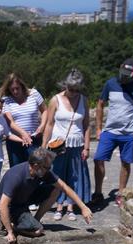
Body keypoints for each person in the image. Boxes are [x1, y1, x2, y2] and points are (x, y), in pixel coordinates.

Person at [92, 58, 133, 207]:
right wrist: (98, 128)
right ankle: (98, 192)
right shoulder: (111, 83)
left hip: (129, 133)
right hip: (110, 131)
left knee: (125, 162)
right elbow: (100, 104)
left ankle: (121, 193)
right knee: (98, 159)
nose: (123, 77)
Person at [0, 148, 93, 244]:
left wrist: (83, 207)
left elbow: (64, 187)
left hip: (25, 198)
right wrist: (10, 232)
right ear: (35, 165)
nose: (49, 169)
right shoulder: (16, 175)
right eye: (47, 167)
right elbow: (3, 205)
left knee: (55, 189)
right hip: (12, 206)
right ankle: (7, 223)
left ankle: (36, 220)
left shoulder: (42, 171)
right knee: (38, 230)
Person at [42, 68, 91, 221]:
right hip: (58, 145)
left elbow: (86, 125)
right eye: (71, 89)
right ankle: (59, 204)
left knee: (74, 175)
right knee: (58, 175)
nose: (73, 92)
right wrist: (44, 146)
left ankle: (70, 205)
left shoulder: (83, 100)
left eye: (76, 89)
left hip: (77, 144)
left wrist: (87, 147)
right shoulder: (55, 100)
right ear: (65, 86)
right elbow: (49, 124)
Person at [0, 73, 48, 168]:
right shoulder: (6, 100)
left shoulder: (34, 94)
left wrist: (42, 126)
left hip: (34, 138)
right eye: (12, 89)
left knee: (37, 169)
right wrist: (23, 133)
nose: (15, 91)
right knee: (17, 170)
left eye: (17, 88)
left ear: (22, 85)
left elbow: (45, 110)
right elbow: (10, 122)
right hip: (16, 141)